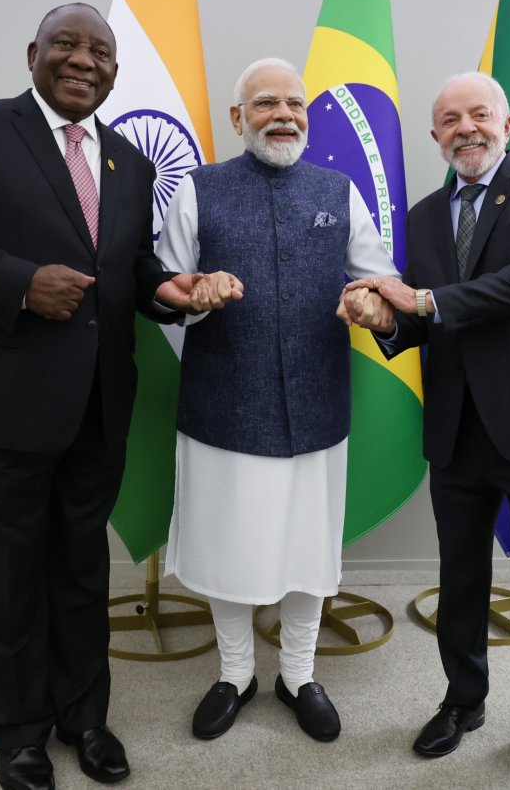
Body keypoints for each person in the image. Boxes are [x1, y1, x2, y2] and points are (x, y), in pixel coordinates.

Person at [0, 3, 207, 790]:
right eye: (66, 44)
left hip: (98, 406)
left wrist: (170, 291)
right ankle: (18, 733)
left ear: (113, 69)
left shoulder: (130, 163)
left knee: (78, 572)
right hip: (2, 403)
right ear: (33, 52)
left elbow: (128, 267)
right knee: (8, 579)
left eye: (99, 51)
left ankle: (85, 719)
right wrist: (20, 284)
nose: (83, 60)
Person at [339, 71, 510, 790]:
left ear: (508, 122)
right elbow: (425, 322)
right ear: (435, 136)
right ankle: (464, 704)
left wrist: (419, 299)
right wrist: (385, 323)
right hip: (457, 428)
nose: (467, 128)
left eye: (480, 114)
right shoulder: (426, 215)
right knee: (460, 585)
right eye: (451, 119)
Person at [155, 57, 398, 743]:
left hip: (318, 403)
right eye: (265, 104)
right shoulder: (198, 191)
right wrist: (194, 296)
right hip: (222, 405)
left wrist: (367, 301)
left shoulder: (338, 188)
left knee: (307, 547)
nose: (283, 115)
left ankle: (297, 673)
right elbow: (166, 289)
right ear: (238, 119)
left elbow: (381, 281)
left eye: (294, 103)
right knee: (226, 547)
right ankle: (235, 675)